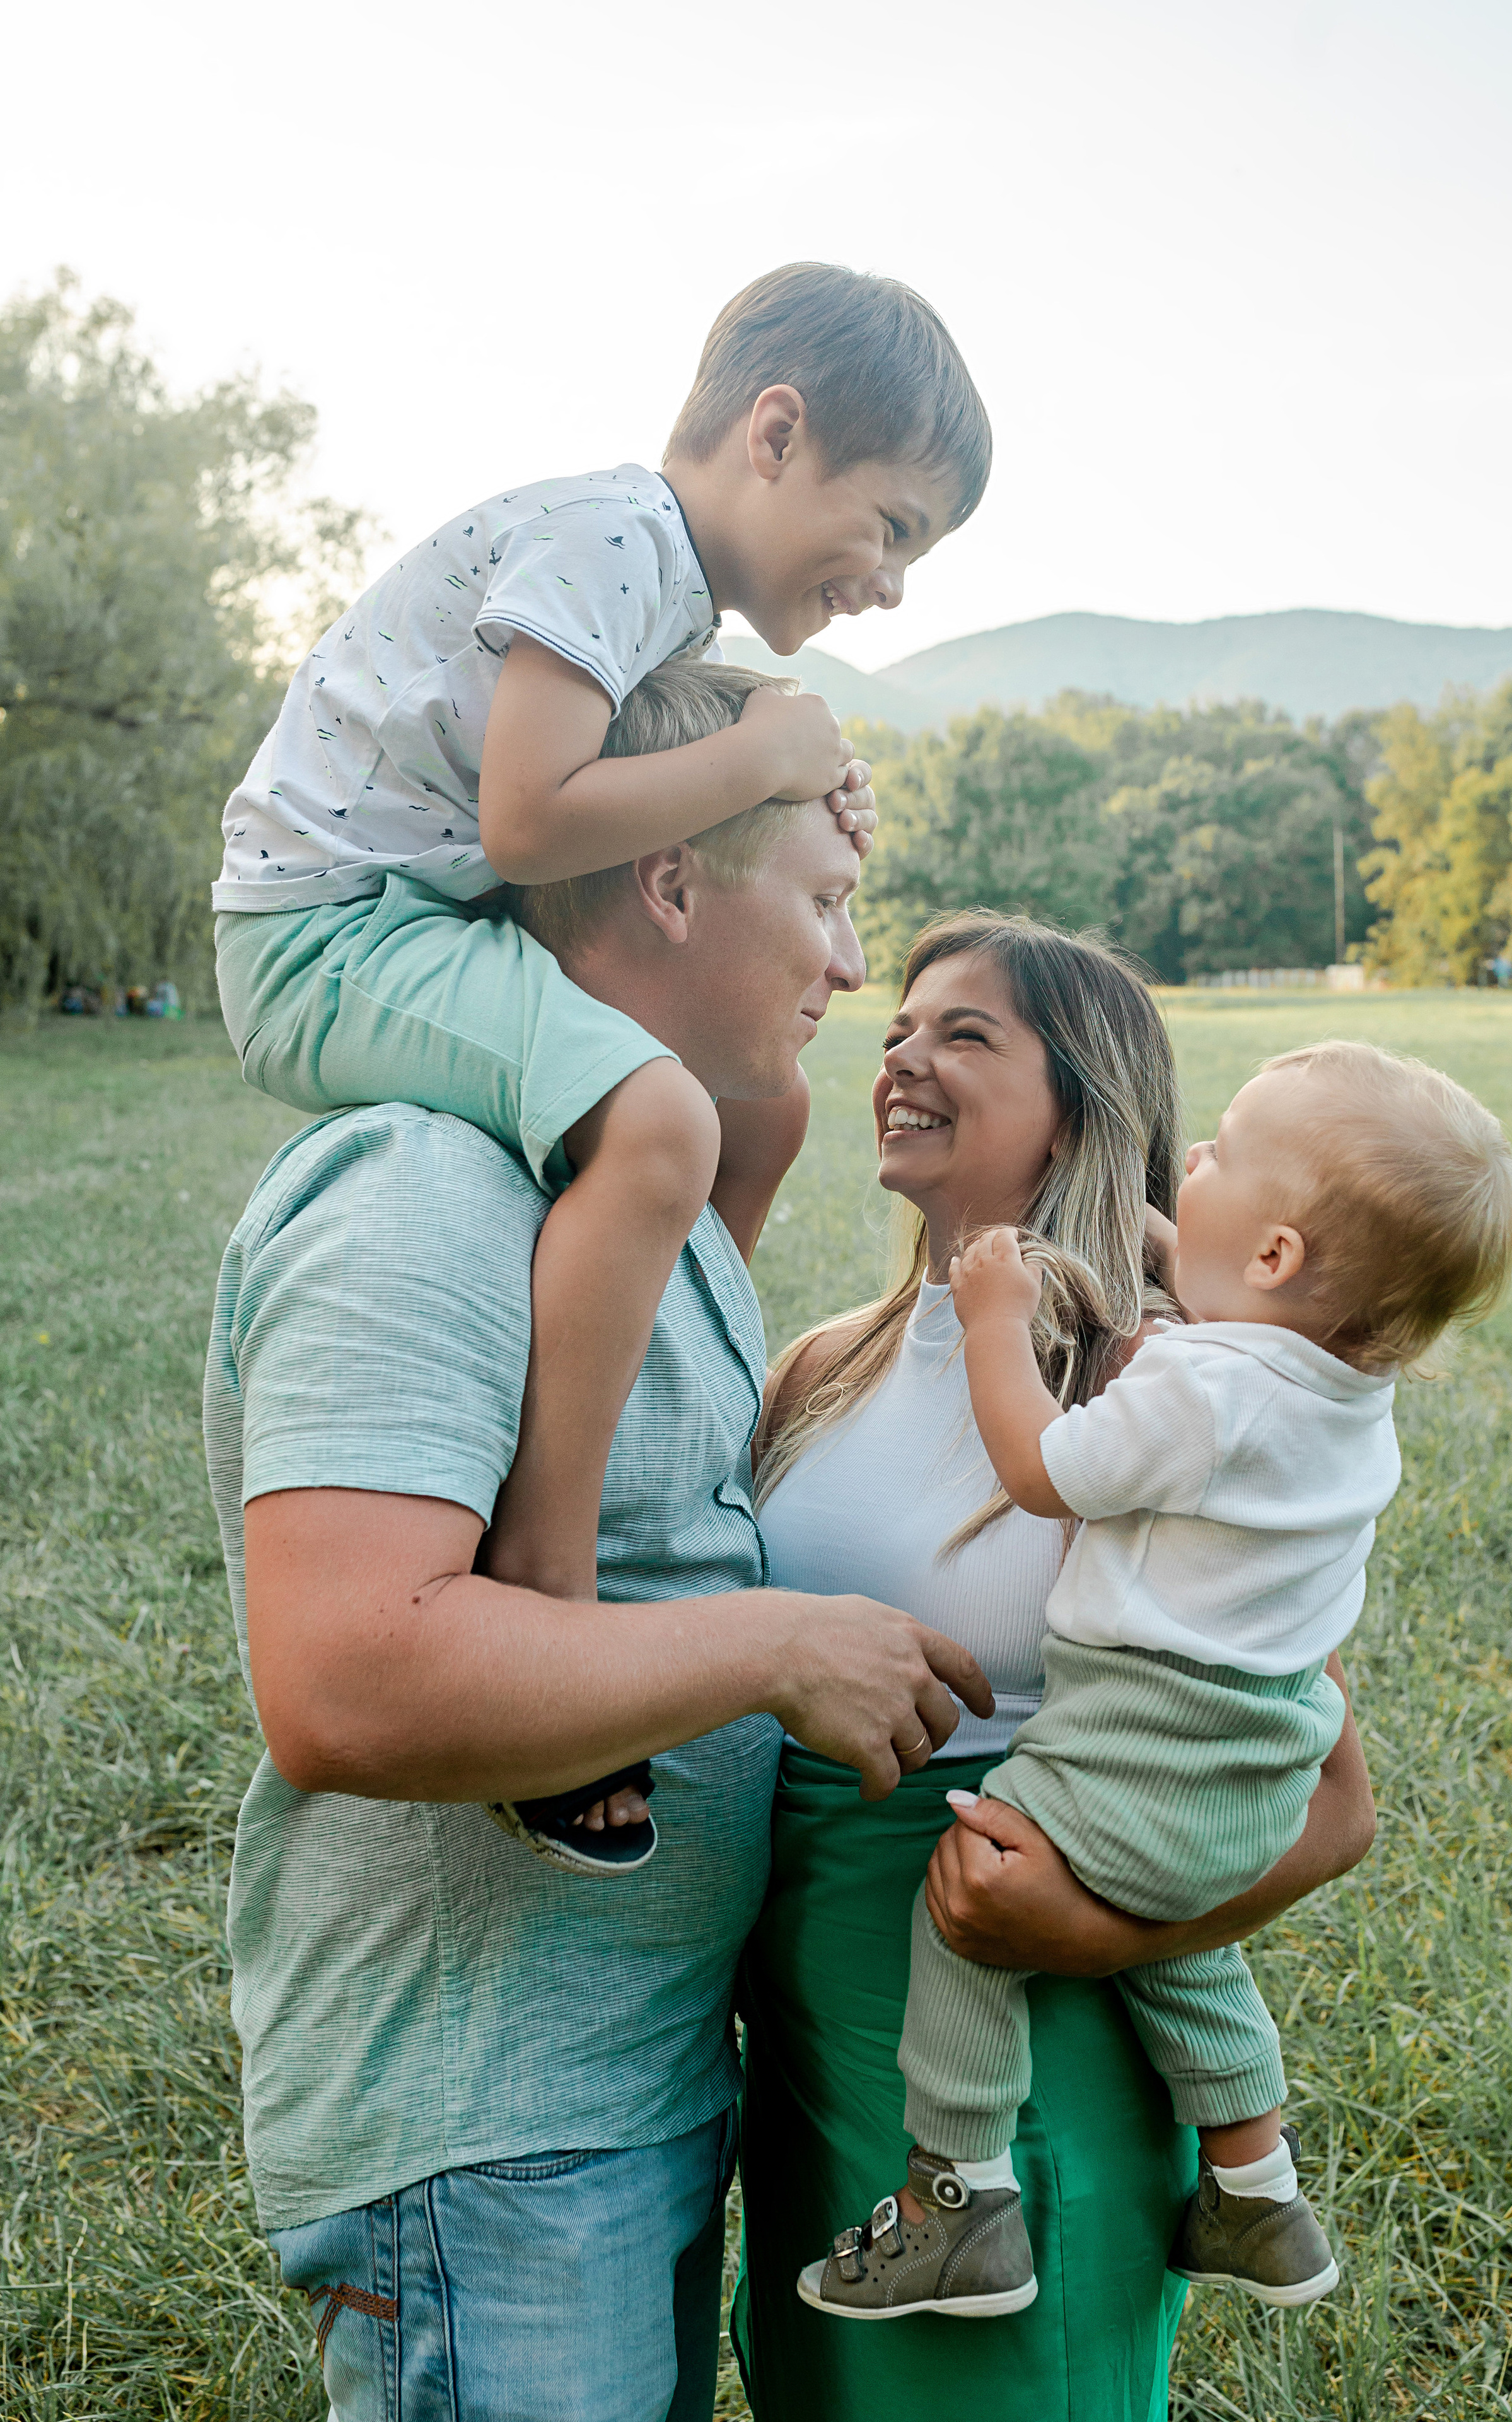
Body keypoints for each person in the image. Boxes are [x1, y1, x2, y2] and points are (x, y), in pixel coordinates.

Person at [204, 690, 994, 2422]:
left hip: (612, 2100)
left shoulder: (629, 1205)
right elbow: (346, 1679)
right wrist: (780, 1650)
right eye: (823, 901)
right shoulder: (423, 1190)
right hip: (486, 2130)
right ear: (670, 884)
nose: (852, 964)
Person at [211, 266, 991, 1858]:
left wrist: (791, 800)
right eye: (894, 528)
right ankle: (549, 1572)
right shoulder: (614, 539)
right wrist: (765, 752)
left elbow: (633, 792)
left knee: (748, 1117)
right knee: (656, 1118)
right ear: (776, 432)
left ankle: (668, 1410)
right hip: (327, 931)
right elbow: (527, 822)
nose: (894, 586)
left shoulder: (657, 594)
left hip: (411, 906)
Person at [733, 914, 1381, 2419]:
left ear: (1082, 1104)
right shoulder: (819, 1364)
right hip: (819, 2028)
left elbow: (1328, 1805)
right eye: (901, 1024)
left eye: (965, 1035)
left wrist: (1093, 1929)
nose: (903, 1055)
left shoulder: (1165, 1391)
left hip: (1034, 2030)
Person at [801, 1036, 1512, 2325]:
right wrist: (1160, 1241)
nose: (1191, 1161)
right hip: (1252, 1762)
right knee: (1179, 1949)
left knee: (961, 1911)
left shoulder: (1197, 1387)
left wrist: (993, 1326)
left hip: (1142, 1733)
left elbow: (1040, 1468)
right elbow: (1234, 1321)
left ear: (1276, 1261)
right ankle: (1255, 2186)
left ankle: (955, 2203)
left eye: (1223, 1154)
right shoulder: (1340, 1393)